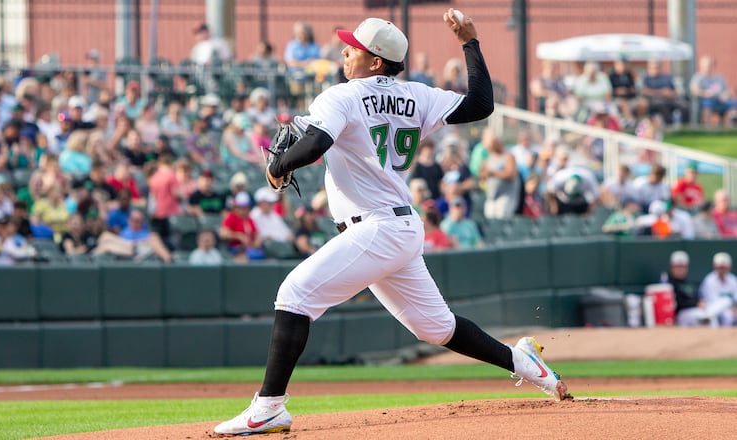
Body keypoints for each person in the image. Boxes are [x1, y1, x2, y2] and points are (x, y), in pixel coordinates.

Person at [213, 10, 570, 436]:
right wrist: (470, 42)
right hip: (399, 227)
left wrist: (277, 168)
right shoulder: (417, 95)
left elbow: (315, 144)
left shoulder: (341, 95)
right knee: (438, 329)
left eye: (355, 47)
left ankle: (269, 406)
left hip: (377, 228)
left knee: (295, 293)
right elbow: (481, 104)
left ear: (376, 61)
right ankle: (528, 365)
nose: (345, 51)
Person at [689, 55, 736, 128]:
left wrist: (725, 95)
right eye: (704, 66)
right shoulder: (698, 77)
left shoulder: (719, 78)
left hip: (721, 100)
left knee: (733, 103)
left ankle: (732, 127)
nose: (706, 68)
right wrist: (705, 93)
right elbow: (694, 90)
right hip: (706, 100)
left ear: (713, 65)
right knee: (707, 103)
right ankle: (708, 128)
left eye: (709, 65)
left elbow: (729, 90)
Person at [663, 251, 705, 327]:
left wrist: (700, 302)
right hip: (680, 314)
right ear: (672, 267)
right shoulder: (669, 282)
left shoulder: (688, 282)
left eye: (682, 266)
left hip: (694, 311)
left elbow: (696, 297)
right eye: (677, 266)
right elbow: (677, 303)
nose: (680, 269)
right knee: (701, 317)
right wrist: (695, 304)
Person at [698, 252, 737, 327]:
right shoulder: (709, 280)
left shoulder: (733, 280)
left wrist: (734, 309)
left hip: (729, 309)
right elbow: (712, 300)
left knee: (728, 316)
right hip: (711, 307)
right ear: (715, 267)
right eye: (720, 267)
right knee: (713, 319)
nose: (722, 270)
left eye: (724, 267)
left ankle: (707, 316)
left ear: (729, 267)